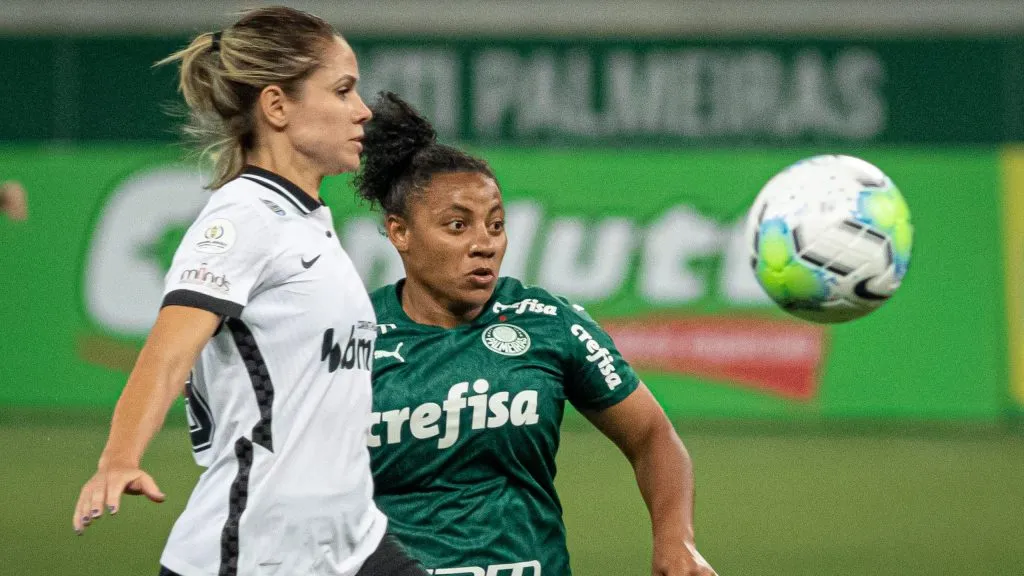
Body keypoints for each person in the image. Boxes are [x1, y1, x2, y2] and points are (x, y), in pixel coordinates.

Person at [72, 8, 425, 576]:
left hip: (350, 542)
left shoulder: (303, 221)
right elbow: (168, 353)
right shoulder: (243, 220)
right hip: (258, 549)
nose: (363, 111)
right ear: (277, 106)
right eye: (342, 90)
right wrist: (118, 460)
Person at [356, 91, 717, 576]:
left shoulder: (545, 320)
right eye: (457, 225)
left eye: (496, 224)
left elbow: (653, 436)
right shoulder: (352, 334)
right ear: (399, 232)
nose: (483, 244)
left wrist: (677, 543)